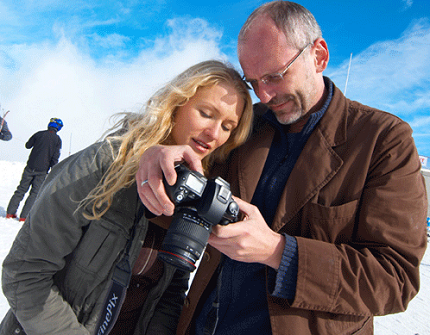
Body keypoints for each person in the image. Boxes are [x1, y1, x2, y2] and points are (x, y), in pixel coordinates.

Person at [135, 2, 428, 335]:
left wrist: (279, 252)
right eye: (254, 81)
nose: (265, 94)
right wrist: (157, 153)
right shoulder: (250, 125)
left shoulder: (383, 140)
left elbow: (394, 279)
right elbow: (190, 189)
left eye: (275, 76)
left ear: (318, 56)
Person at [0, 60, 253, 335]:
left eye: (228, 126)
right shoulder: (102, 166)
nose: (214, 134)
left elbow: (169, 294)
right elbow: (24, 274)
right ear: (176, 103)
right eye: (206, 113)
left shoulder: (192, 195)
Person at [6, 118, 63, 221]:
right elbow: (55, 157)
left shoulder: (39, 134)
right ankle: (24, 217)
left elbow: (28, 145)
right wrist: (53, 170)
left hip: (30, 167)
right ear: (58, 128)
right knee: (34, 194)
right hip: (42, 171)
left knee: (21, 190)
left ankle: (10, 213)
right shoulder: (57, 140)